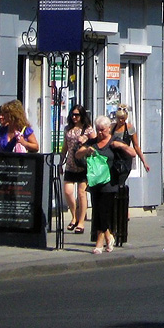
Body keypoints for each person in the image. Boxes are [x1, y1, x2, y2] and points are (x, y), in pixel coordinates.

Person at [76, 115, 134, 254]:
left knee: (104, 211)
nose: (100, 132)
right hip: (95, 181)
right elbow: (77, 155)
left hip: (110, 182)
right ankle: (109, 236)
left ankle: (99, 243)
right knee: (98, 211)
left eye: (103, 129)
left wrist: (120, 145)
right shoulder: (93, 142)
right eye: (98, 129)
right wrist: (86, 150)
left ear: (109, 128)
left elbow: (132, 153)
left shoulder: (114, 141)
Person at [62, 104, 94, 233]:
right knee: (68, 192)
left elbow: (96, 143)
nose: (74, 117)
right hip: (70, 164)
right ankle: (74, 216)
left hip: (83, 165)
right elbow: (65, 146)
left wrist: (85, 140)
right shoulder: (67, 129)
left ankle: (81, 222)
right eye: (73, 114)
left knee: (82, 193)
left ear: (82, 116)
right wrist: (60, 161)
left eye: (77, 115)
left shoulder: (88, 129)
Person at [110, 103, 150, 185]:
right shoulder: (112, 127)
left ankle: (122, 195)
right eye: (119, 118)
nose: (121, 121)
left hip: (125, 159)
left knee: (121, 182)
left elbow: (136, 146)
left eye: (123, 119)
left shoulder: (129, 128)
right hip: (114, 158)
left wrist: (144, 162)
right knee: (113, 183)